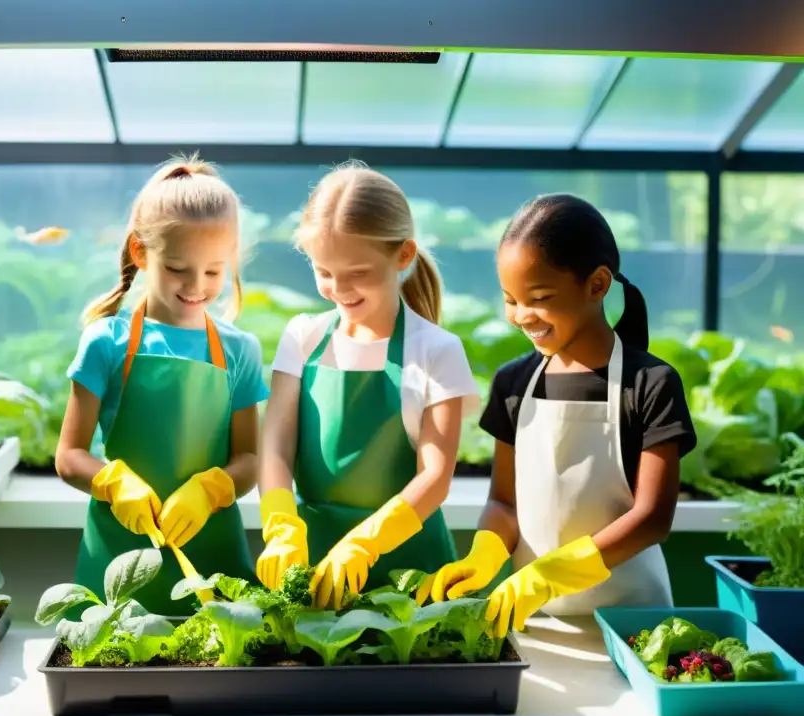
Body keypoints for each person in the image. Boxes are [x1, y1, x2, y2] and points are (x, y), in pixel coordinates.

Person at [420, 193, 697, 638]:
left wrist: (548, 576)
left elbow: (652, 518)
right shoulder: (513, 383)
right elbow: (504, 502)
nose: (521, 315)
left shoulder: (650, 383)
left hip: (635, 626)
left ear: (597, 284)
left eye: (540, 297)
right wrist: (484, 554)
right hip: (538, 623)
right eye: (510, 300)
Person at [256, 162, 481, 609]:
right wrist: (281, 525)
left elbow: (435, 478)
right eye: (323, 272)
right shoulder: (303, 337)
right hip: (312, 562)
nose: (339, 289)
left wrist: (366, 544)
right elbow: (274, 449)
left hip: (410, 567)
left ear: (402, 255)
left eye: (358, 272)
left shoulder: (436, 349)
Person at [55, 155, 268, 615]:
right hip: (120, 553)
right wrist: (112, 483)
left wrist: (211, 489)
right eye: (177, 268)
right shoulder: (105, 342)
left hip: (215, 554)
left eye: (214, 272)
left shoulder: (241, 350)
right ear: (140, 252)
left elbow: (250, 460)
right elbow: (69, 457)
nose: (197, 286)